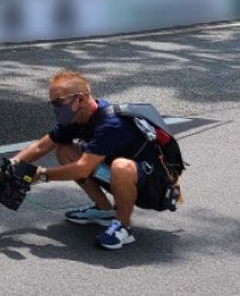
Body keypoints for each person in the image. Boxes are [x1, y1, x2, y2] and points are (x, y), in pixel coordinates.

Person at [10, 71, 173, 250]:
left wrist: (40, 175)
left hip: (153, 189)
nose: (55, 107)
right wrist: (11, 165)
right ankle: (104, 211)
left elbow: (82, 169)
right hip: (118, 179)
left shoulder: (112, 123)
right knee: (65, 150)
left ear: (80, 99)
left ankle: (123, 226)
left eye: (58, 102)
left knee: (120, 166)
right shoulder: (75, 119)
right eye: (52, 103)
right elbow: (42, 146)